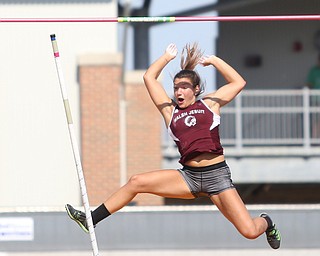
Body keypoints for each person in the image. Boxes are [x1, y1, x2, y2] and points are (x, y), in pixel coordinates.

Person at [66, 43, 281, 249]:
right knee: (136, 182)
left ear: (195, 89)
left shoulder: (210, 103)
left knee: (250, 231)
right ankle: (90, 219)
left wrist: (215, 61)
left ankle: (267, 222)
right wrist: (166, 58)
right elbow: (149, 77)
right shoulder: (170, 112)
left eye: (184, 87)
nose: (179, 92)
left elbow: (238, 82)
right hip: (189, 177)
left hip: (217, 176)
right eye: (176, 87)